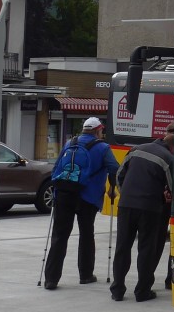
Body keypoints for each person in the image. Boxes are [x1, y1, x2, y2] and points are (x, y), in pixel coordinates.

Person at [43, 117, 118, 290]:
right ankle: (85, 275)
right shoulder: (103, 147)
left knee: (59, 236)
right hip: (88, 197)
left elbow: (57, 169)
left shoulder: (69, 143)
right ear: (98, 130)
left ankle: (51, 279)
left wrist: (56, 192)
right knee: (86, 234)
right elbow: (114, 168)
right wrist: (112, 188)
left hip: (64, 194)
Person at [110, 125, 174, 302]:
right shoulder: (168, 158)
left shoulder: (136, 150)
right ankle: (142, 291)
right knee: (146, 249)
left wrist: (126, 194)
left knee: (122, 247)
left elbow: (119, 175)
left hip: (126, 205)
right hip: (150, 208)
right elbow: (173, 186)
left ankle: (117, 290)